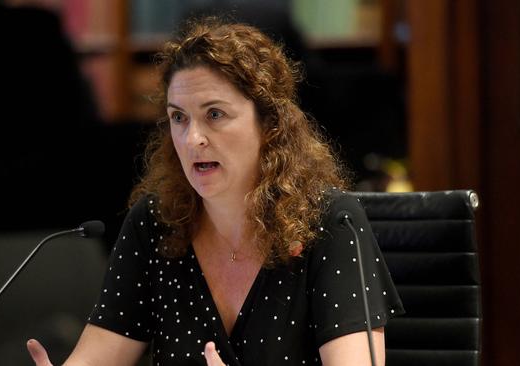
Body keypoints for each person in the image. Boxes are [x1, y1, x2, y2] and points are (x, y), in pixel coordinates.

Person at [27, 18, 404, 366]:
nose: (193, 139)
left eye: (215, 115)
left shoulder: (331, 224)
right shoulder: (156, 224)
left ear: (269, 125)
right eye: (179, 117)